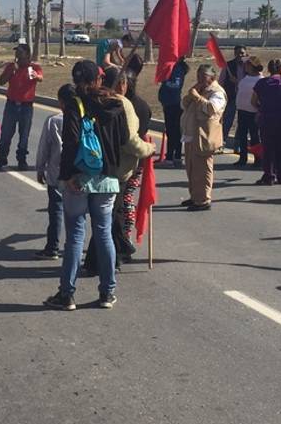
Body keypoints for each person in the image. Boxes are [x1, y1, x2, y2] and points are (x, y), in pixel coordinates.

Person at [44, 60, 129, 310]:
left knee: (75, 238)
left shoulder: (75, 105)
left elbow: (69, 143)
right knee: (104, 234)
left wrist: (66, 175)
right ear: (99, 79)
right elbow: (124, 139)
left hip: (78, 178)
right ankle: (107, 292)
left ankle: (67, 294)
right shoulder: (116, 104)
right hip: (108, 178)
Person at [101, 66, 154, 262]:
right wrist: (148, 149)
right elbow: (132, 141)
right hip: (123, 166)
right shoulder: (123, 104)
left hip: (105, 166)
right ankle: (120, 246)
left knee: (111, 211)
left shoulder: (134, 105)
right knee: (117, 209)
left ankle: (117, 246)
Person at [180, 63, 227, 210]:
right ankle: (195, 196)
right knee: (192, 169)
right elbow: (184, 105)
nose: (200, 79)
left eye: (203, 76)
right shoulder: (200, 89)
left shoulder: (217, 92)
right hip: (191, 134)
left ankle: (203, 200)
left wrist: (198, 97)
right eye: (198, 76)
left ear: (212, 77)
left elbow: (211, 109)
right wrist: (189, 97)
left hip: (205, 136)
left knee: (203, 169)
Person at [0, 43, 43, 171]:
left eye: (20, 51)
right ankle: (1, 158)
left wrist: (37, 76)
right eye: (16, 51)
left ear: (27, 54)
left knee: (24, 134)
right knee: (6, 133)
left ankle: (22, 160)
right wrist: (10, 72)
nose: (17, 54)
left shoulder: (33, 67)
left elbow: (40, 77)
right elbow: (1, 81)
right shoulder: (11, 66)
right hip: (11, 105)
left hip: (26, 106)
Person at [252, 58, 281, 186]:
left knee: (268, 149)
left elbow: (253, 101)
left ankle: (269, 176)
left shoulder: (261, 83)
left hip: (266, 120)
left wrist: (262, 108)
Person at [34, 88, 68, 260]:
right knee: (76, 214)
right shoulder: (87, 119)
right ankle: (72, 247)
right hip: (77, 174)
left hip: (56, 172)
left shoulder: (54, 121)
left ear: (61, 102)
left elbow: (44, 148)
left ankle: (52, 247)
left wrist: (40, 168)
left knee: (56, 210)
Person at [158, 56, 188, 166]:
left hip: (173, 104)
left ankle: (171, 156)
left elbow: (175, 84)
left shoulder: (177, 69)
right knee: (174, 130)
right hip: (169, 102)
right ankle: (176, 156)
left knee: (172, 131)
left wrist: (165, 80)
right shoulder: (173, 68)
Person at [219, 45, 248, 151]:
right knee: (227, 120)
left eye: (242, 53)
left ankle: (237, 145)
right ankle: (221, 142)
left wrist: (238, 82)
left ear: (245, 54)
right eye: (237, 53)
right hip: (231, 97)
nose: (240, 55)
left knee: (242, 123)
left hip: (245, 98)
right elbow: (221, 81)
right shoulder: (228, 66)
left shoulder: (250, 66)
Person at [235, 56, 263, 167]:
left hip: (253, 112)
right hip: (242, 111)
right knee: (242, 135)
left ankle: (258, 159)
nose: (245, 67)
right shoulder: (245, 78)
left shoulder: (260, 80)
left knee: (254, 136)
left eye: (247, 64)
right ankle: (243, 158)